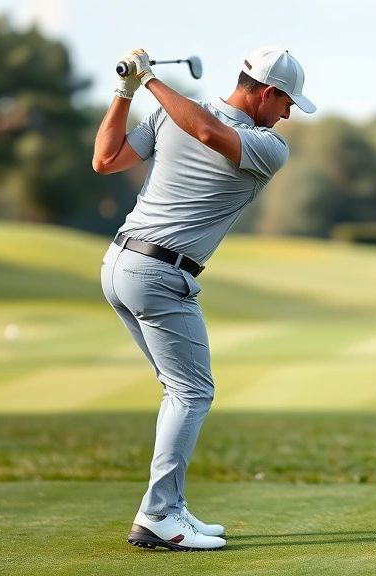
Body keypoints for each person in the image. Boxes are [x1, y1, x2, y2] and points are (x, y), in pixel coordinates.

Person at [92, 46, 316, 551]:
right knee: (193, 393)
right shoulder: (261, 141)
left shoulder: (246, 139)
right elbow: (104, 160)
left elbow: (208, 133)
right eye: (287, 103)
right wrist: (126, 92)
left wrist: (143, 84)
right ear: (267, 93)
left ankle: (170, 507)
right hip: (159, 274)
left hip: (120, 266)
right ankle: (159, 515)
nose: (287, 115)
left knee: (179, 392)